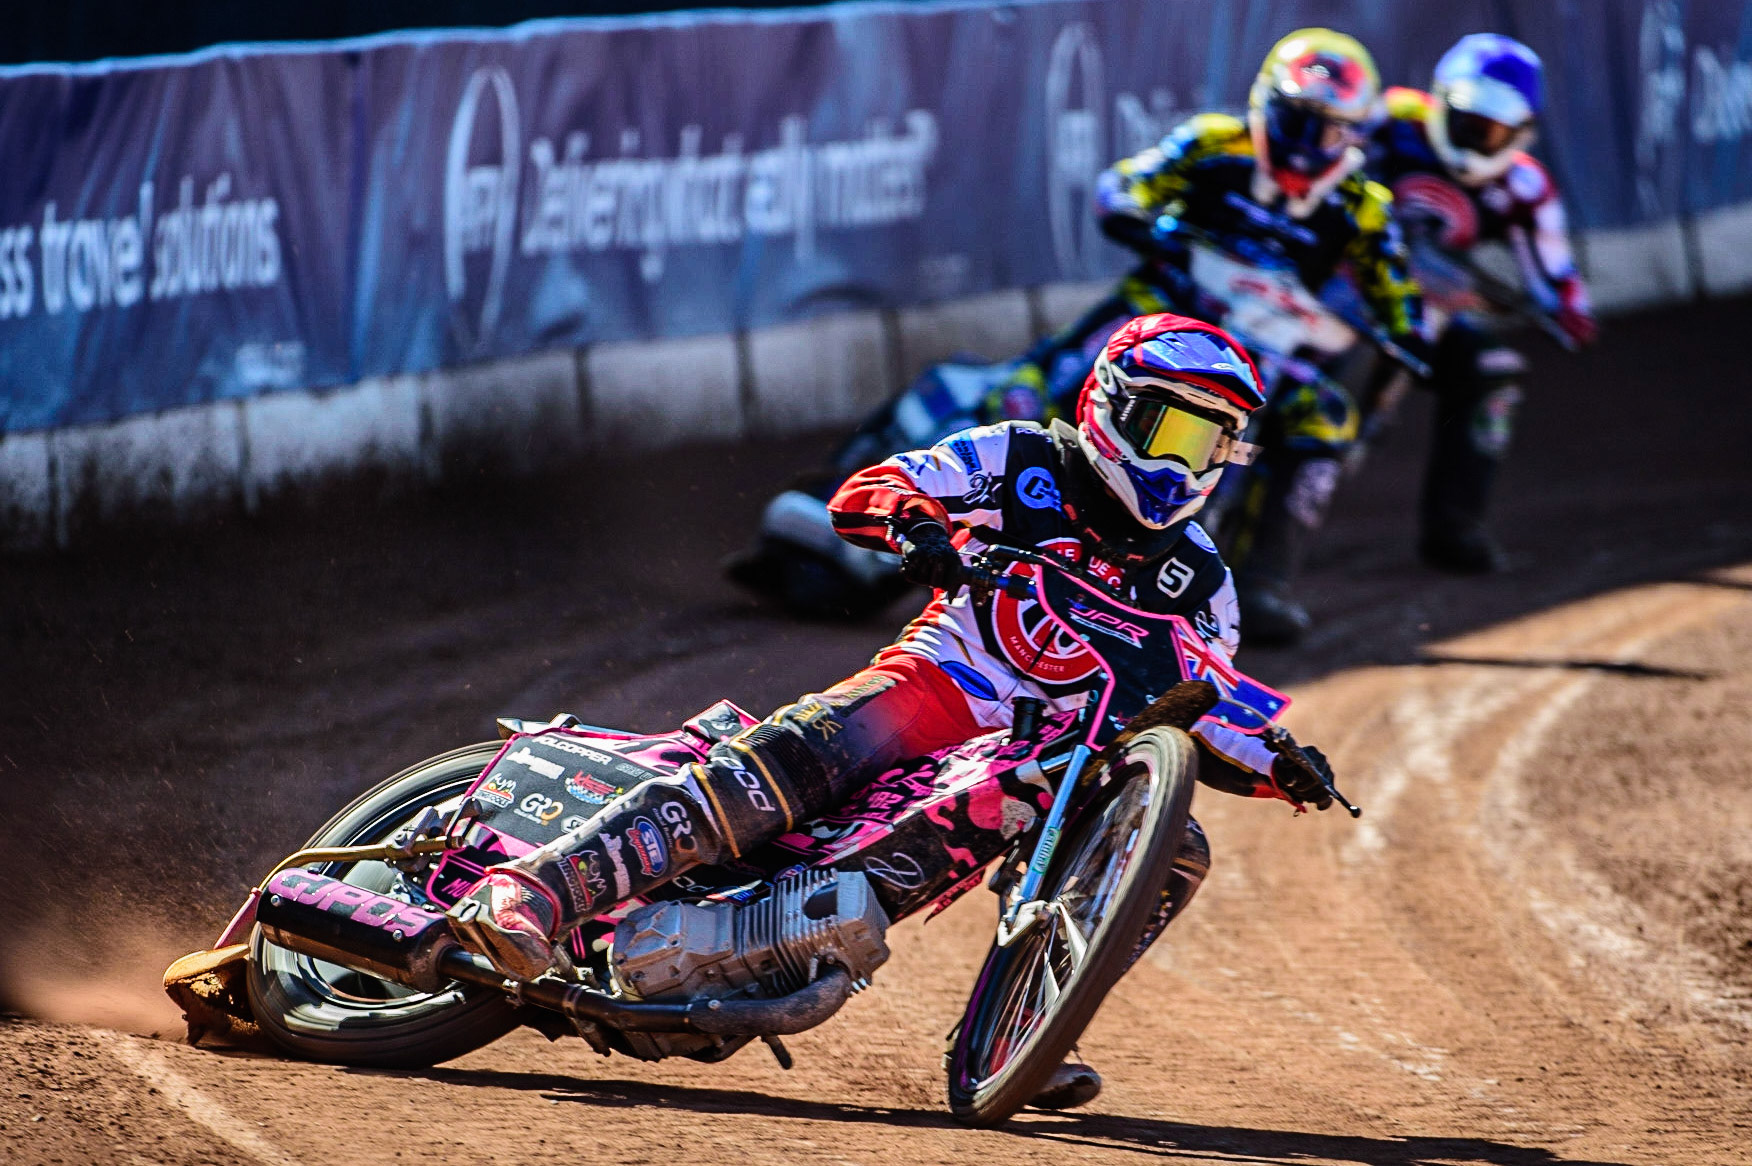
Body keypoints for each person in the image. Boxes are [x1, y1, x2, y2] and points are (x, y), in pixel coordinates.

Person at [448, 314, 1339, 1109]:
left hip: (1047, 756)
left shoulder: (1205, 580)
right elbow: (872, 486)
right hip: (941, 685)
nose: (1190, 463)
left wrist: (1275, 762)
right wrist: (919, 531)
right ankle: (527, 891)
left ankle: (1034, 1024)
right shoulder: (1028, 457)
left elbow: (1207, 703)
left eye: (1214, 443)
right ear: (1113, 404)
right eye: (1175, 431)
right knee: (783, 770)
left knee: (1176, 848)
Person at [1087, 28, 1427, 644]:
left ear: (1351, 134)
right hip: (1162, 314)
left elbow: (1397, 293)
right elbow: (1126, 183)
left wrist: (1408, 333)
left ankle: (1264, 583)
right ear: (1263, 103)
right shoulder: (1213, 142)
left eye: (1323, 129)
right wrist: (1135, 214)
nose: (1303, 143)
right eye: (1292, 119)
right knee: (1062, 369)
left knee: (1327, 415)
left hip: (1262, 353)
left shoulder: (1363, 204)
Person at [1366, 33, 1597, 572]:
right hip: (1335, 290)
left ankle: (1455, 529)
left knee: (1492, 369)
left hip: (1428, 309)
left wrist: (1567, 314)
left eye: (1491, 131)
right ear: (1439, 99)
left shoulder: (1524, 186)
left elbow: (1558, 276)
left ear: (1521, 134)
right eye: (1467, 121)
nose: (1475, 140)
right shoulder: (1387, 120)